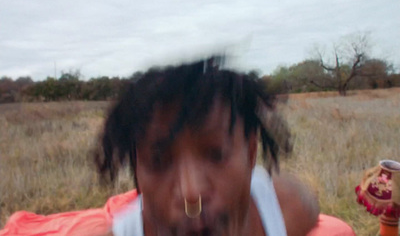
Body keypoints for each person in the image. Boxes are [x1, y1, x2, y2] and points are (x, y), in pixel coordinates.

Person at [95, 56, 320, 236]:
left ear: (251, 153)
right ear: (137, 170)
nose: (191, 193)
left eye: (216, 154)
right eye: (158, 162)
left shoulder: (287, 212)